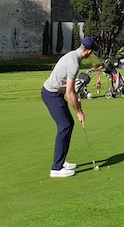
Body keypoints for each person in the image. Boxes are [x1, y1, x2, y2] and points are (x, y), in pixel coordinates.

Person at [41, 36, 97, 178]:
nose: (91, 55)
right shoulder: (74, 62)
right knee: (65, 125)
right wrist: (79, 112)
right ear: (88, 51)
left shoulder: (73, 55)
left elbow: (69, 88)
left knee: (68, 124)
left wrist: (76, 99)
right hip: (51, 94)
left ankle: (62, 161)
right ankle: (56, 169)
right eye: (92, 52)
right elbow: (69, 93)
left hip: (55, 93)